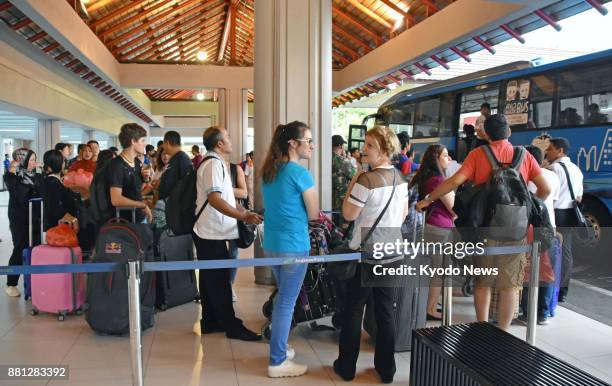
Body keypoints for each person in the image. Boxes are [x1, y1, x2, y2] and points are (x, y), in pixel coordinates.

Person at [416, 114, 551, 331]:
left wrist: (428, 199)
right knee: (510, 286)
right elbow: (545, 189)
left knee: (483, 282)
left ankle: (482, 328)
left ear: (486, 133)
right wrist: (525, 210)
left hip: (484, 231)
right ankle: (504, 331)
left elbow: (454, 182)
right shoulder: (524, 155)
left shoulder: (478, 154)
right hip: (516, 232)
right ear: (509, 132)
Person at [334, 127, 408, 384]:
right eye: (365, 144)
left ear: (385, 150)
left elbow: (348, 214)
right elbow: (403, 216)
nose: (365, 150)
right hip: (392, 252)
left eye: (371, 146)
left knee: (355, 310)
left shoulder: (366, 180)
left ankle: (346, 367)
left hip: (366, 254)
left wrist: (354, 179)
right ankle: (386, 370)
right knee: (385, 311)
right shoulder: (400, 178)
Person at [193, 126, 262, 341]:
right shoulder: (213, 164)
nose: (231, 140)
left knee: (209, 279)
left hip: (212, 231)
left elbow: (225, 199)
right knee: (220, 281)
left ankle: (211, 321)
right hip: (212, 232)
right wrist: (242, 217)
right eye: (228, 137)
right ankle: (231, 326)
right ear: (219, 144)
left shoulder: (215, 163)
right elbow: (214, 199)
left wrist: (243, 212)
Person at [262, 121, 319, 378]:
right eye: (308, 140)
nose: (312, 146)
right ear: (293, 144)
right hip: (294, 245)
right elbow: (314, 212)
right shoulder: (299, 173)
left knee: (281, 299)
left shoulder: (269, 171)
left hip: (272, 244)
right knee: (286, 302)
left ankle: (281, 347)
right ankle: (277, 361)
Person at [409, 144, 456, 321]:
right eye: (445, 156)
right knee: (439, 271)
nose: (449, 159)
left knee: (431, 269)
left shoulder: (425, 177)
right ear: (436, 158)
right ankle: (430, 308)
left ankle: (427, 305)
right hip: (440, 228)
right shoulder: (438, 180)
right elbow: (453, 207)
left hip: (430, 226)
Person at [520, 145, 560, 325]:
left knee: (530, 269)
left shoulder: (527, 176)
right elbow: (555, 201)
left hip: (532, 227)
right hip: (549, 225)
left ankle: (528, 312)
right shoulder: (552, 175)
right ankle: (543, 312)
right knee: (546, 270)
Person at [546, 137, 583, 303]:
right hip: (570, 214)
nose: (547, 151)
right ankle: (563, 291)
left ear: (560, 151)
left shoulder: (554, 168)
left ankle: (550, 290)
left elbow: (550, 197)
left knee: (551, 252)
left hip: (556, 213)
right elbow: (580, 197)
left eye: (550, 148)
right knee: (566, 252)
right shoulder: (576, 169)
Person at [4, 148, 43, 297]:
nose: (34, 162)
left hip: (36, 218)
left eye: (34, 159)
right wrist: (12, 169)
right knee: (20, 248)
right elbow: (16, 191)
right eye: (31, 160)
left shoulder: (38, 177)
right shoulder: (13, 178)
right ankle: (11, 283)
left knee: (37, 248)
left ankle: (35, 282)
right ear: (23, 161)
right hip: (19, 219)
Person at [108, 123, 152, 224]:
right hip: (125, 221)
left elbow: (135, 191)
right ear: (133, 141)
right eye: (142, 140)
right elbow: (116, 199)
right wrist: (143, 205)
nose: (145, 144)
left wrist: (145, 178)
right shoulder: (117, 165)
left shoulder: (136, 162)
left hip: (138, 216)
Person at [41, 150, 80, 232]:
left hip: (60, 225)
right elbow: (54, 206)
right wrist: (73, 219)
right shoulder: (52, 182)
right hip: (57, 227)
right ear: (61, 165)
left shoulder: (55, 181)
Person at [228, 160, 248, 302]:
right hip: (213, 218)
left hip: (233, 216)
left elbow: (244, 193)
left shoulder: (235, 169)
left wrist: (224, 188)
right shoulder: (209, 166)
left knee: (233, 252)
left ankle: (229, 285)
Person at [156, 131, 193, 200]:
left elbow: (188, 186)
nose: (163, 146)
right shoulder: (175, 158)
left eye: (163, 144)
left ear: (167, 143)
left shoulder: (182, 159)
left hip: (177, 206)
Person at [331, 134, 356, 233]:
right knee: (344, 228)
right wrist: (348, 160)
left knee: (332, 224)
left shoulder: (324, 159)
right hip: (341, 199)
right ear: (341, 146)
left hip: (328, 198)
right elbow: (354, 175)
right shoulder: (342, 162)